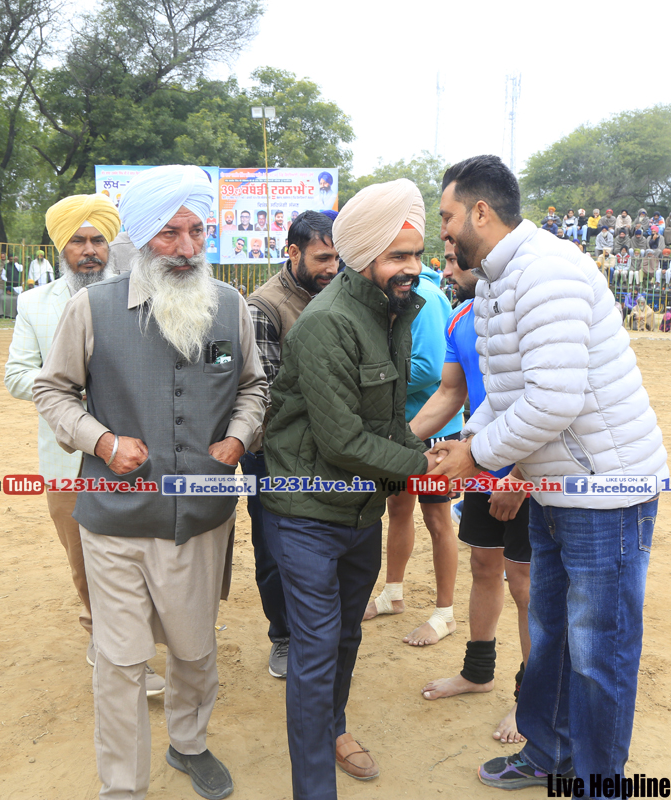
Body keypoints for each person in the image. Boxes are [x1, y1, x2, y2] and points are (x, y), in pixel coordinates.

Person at [431, 155, 667, 787]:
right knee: (551, 634)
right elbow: (506, 394)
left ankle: (595, 780)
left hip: (604, 492)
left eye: (448, 217)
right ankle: (547, 754)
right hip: (553, 486)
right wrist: (467, 441)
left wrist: (476, 456)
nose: (443, 232)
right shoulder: (493, 282)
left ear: (481, 211)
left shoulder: (548, 271)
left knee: (597, 652)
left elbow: (554, 401)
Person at [33, 165, 267, 800]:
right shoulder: (91, 309)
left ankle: (188, 743)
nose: (186, 249)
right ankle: (123, 786)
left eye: (197, 232)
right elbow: (52, 390)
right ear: (140, 237)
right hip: (114, 520)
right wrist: (102, 442)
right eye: (169, 234)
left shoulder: (230, 307)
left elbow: (253, 386)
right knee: (120, 661)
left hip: (202, 516)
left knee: (194, 651)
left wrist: (239, 436)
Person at [259, 178, 431, 798]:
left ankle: (334, 729)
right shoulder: (328, 322)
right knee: (314, 653)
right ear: (362, 256)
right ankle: (314, 788)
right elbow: (342, 442)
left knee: (347, 636)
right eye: (397, 256)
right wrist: (423, 468)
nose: (412, 267)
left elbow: (386, 421)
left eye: (417, 254)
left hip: (360, 512)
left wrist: (422, 452)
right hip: (306, 513)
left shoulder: (393, 311)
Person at [4, 193, 165, 698]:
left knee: (138, 554)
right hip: (67, 459)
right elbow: (16, 374)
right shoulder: (34, 304)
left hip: (136, 454)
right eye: (78, 241)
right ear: (61, 248)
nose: (89, 250)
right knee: (83, 559)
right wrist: (70, 393)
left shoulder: (141, 297)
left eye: (98, 240)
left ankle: (137, 638)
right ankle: (106, 639)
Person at [408, 240, 533, 743]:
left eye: (453, 260)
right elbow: (450, 394)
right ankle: (478, 673)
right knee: (484, 566)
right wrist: (400, 444)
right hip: (479, 461)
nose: (446, 269)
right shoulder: (461, 319)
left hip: (530, 471)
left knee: (524, 584)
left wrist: (519, 479)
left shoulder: (521, 315)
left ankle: (530, 699)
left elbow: (543, 401)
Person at [242, 210, 339, 680]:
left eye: (339, 259)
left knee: (329, 546)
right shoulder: (264, 307)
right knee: (275, 550)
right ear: (294, 252)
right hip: (272, 457)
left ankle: (322, 635)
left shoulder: (339, 295)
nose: (332, 269)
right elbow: (266, 396)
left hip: (331, 452)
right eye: (323, 258)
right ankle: (283, 636)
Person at [363, 248, 465, 647]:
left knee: (438, 520)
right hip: (401, 427)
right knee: (398, 509)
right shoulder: (393, 294)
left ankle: (444, 614)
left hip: (435, 431)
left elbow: (429, 367)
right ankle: (393, 593)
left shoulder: (428, 298)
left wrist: (371, 379)